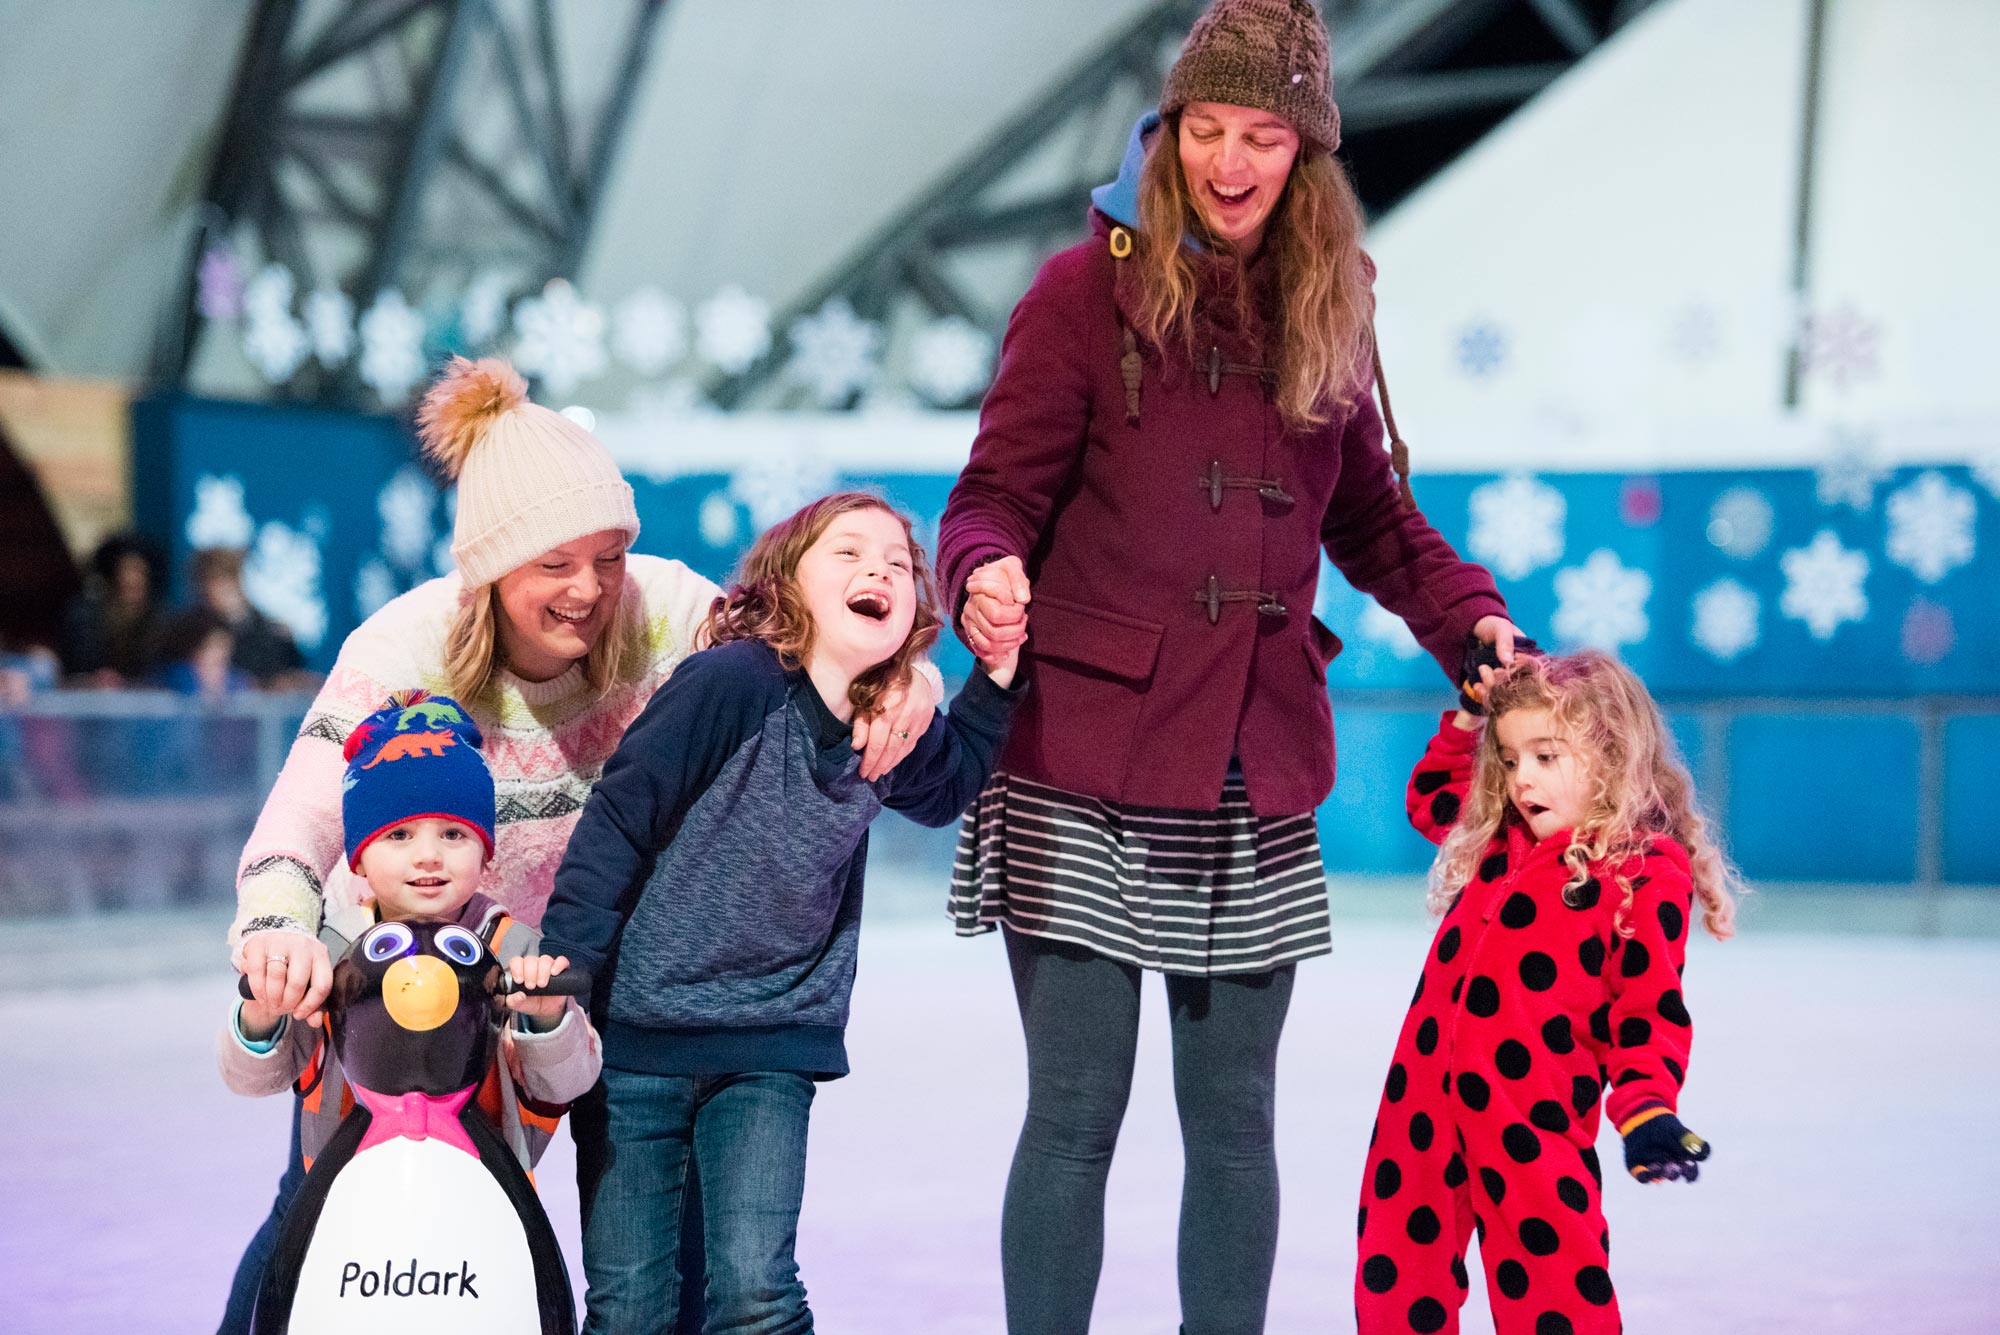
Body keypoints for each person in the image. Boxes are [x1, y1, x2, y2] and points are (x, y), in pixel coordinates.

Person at [934, 2, 1521, 1329]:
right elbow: (991, 495)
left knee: (1238, 1126)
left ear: (1308, 152)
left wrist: (1470, 623)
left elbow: (1370, 514)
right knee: (1076, 1117)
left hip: (1253, 767)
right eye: (1210, 128)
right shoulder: (1083, 290)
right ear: (1171, 133)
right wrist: (979, 575)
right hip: (1083, 747)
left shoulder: (1330, 300)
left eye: (1264, 134)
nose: (1233, 159)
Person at [218, 359, 942, 1334]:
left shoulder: (670, 611)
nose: (590, 589)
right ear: (489, 568)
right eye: (554, 564)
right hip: (407, 983)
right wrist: (276, 930)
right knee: (318, 1219)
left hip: (583, 983)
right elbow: (302, 815)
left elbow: (809, 641)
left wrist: (908, 678)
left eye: (607, 556)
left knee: (648, 1272)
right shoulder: (405, 646)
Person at [537, 492, 1024, 1334]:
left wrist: (998, 678)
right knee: (629, 1310)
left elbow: (950, 787)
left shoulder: (888, 727)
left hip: (770, 1044)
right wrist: (568, 968)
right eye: (848, 553)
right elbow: (620, 814)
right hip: (637, 1043)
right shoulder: (732, 682)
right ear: (786, 584)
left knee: (758, 1292)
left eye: (899, 564)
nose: (878, 568)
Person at [1355, 651, 1739, 1335]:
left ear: (1612, 755)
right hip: (1421, 1110)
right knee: (1396, 1279)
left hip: (1530, 1119)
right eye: (1509, 758)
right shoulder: (1497, 840)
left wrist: (1646, 1108)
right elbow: (1430, 793)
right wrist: (1472, 714)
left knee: (1557, 1291)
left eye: (1546, 755)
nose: (1521, 777)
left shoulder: (1644, 870)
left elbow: (1650, 1010)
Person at [217, 690, 598, 1175]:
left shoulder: (516, 950)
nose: (428, 856)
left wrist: (548, 1021)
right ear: (358, 857)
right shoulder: (330, 951)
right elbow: (253, 1080)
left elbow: (568, 1084)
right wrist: (262, 1014)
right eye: (399, 835)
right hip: (349, 1197)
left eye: (454, 834)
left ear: (485, 851)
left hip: (483, 1199)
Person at [186, 546, 313, 689]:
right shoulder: (186, 634)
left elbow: (292, 682)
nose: (210, 593)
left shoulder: (274, 637)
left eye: (221, 581)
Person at [59, 530, 167, 685]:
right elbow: (72, 667)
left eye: (140, 571)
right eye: (125, 570)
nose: (132, 579)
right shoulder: (83, 617)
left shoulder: (162, 621)